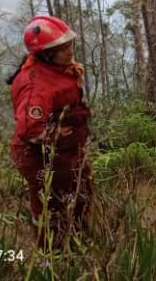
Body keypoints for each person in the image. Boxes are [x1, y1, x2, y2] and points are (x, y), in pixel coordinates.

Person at [8, 15, 93, 250]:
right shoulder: (36, 84)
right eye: (61, 49)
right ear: (45, 53)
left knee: (80, 192)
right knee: (50, 206)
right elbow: (29, 127)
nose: (69, 52)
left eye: (70, 46)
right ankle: (52, 253)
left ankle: (78, 239)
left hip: (66, 152)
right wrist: (56, 134)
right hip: (41, 156)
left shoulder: (57, 70)